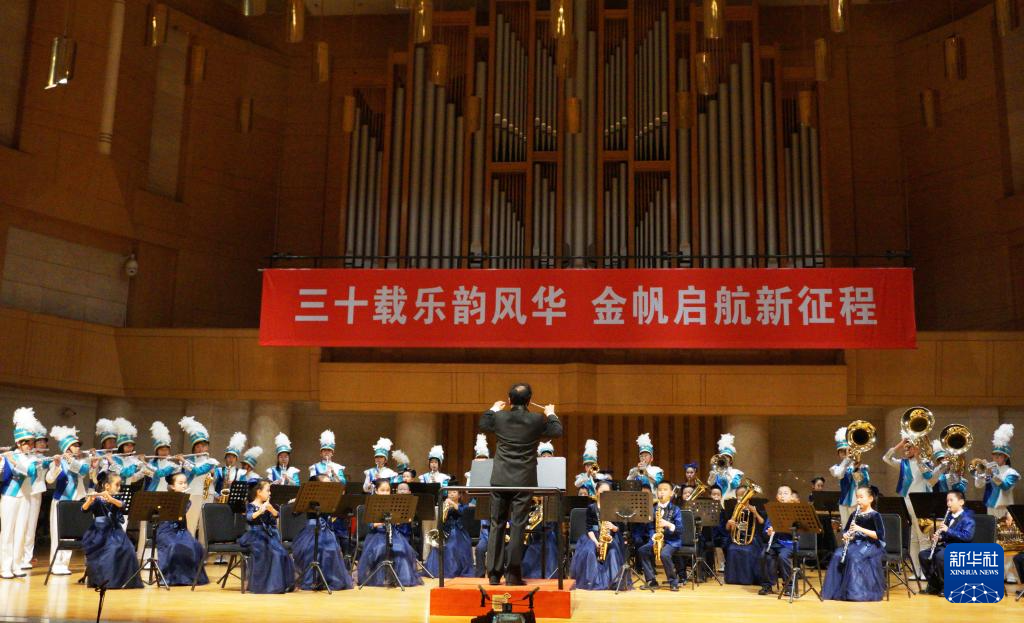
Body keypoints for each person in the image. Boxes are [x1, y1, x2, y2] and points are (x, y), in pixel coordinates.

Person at [479, 383, 562, 586]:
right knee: (517, 525)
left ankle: (494, 574)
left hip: (500, 479)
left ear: (509, 400)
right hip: (524, 480)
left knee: (497, 523)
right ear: (529, 400)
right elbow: (556, 430)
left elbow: (483, 423)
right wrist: (551, 413)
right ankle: (513, 575)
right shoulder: (536, 419)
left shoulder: (499, 417)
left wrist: (493, 408)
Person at [1, 408, 47, 579]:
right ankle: (5, 567)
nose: (30, 445)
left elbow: (30, 472)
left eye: (31, 442)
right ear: (19, 443)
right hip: (9, 496)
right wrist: (3, 461)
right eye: (26, 442)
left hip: (26, 496)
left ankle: (17, 564)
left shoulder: (33, 458)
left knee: (20, 532)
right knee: (7, 533)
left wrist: (14, 461)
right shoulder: (8, 456)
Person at [821, 485, 886, 601]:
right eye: (857, 497)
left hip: (871, 544)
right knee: (837, 555)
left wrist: (860, 529)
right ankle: (835, 591)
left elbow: (879, 535)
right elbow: (846, 530)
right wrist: (847, 535)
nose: (858, 500)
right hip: (855, 543)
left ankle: (856, 593)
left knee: (854, 557)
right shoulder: (854, 514)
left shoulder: (875, 515)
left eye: (861, 497)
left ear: (870, 499)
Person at [44, 426, 94, 576]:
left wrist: (71, 460)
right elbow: (49, 479)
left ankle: (64, 564)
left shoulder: (81, 461)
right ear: (67, 448)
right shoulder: (57, 461)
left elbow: (84, 471)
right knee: (58, 534)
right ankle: (55, 564)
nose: (78, 448)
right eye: (74, 445)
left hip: (76, 501)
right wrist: (56, 465)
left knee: (71, 534)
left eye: (78, 445)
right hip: (61, 501)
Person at [882, 434, 933, 578]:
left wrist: (918, 456)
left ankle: (925, 571)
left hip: (922, 502)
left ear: (917, 447)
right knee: (913, 537)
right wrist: (900, 443)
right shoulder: (903, 463)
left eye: (909, 447)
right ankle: (916, 571)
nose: (906, 450)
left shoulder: (926, 462)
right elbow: (886, 458)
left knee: (924, 536)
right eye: (905, 448)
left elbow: (928, 476)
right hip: (907, 502)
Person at [291, 474, 354, 591]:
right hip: (312, 530)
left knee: (331, 549)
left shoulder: (330, 499)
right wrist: (297, 503)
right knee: (314, 549)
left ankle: (328, 580)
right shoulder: (309, 498)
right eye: (326, 484)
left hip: (326, 530)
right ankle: (312, 580)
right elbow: (294, 513)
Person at [81, 473, 142, 589]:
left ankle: (124, 580)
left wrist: (111, 499)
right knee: (111, 549)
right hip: (99, 531)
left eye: (120, 485)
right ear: (107, 486)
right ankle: (107, 581)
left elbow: (122, 505)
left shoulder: (116, 498)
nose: (119, 487)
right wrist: (90, 500)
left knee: (128, 548)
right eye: (117, 485)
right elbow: (83, 509)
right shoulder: (97, 499)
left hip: (114, 529)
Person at [357, 479, 423, 587]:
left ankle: (401, 578)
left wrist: (400, 520)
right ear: (376, 491)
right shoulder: (371, 504)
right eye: (382, 490)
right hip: (377, 535)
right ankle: (382, 578)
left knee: (401, 549)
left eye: (387, 490)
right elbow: (370, 525)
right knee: (380, 549)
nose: (385, 493)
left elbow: (397, 522)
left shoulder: (394, 503)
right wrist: (382, 522)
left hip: (393, 534)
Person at [570, 481, 629, 591]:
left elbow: (619, 528)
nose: (605, 494)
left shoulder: (614, 508)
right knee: (589, 551)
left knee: (613, 552)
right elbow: (589, 528)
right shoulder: (591, 508)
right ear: (597, 492)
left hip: (610, 536)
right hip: (593, 537)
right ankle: (591, 581)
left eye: (607, 492)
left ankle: (615, 581)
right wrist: (596, 542)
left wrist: (613, 527)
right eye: (602, 492)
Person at [239, 479, 294, 593]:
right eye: (268, 491)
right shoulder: (251, 505)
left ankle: (280, 584)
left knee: (281, 553)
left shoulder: (268, 505)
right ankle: (265, 585)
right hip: (255, 536)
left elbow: (276, 516)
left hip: (268, 535)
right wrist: (260, 511)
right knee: (268, 552)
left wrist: (271, 509)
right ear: (259, 492)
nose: (270, 493)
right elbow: (249, 517)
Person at [918, 490, 976, 595]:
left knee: (940, 556)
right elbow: (947, 536)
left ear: (961, 502)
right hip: (947, 546)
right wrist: (939, 537)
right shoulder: (949, 517)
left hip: (961, 547)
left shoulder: (968, 518)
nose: (948, 503)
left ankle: (947, 586)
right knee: (923, 555)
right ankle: (934, 585)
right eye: (947, 501)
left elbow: (967, 537)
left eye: (951, 500)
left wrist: (948, 530)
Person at [158, 473, 209, 586]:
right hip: (166, 531)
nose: (184, 485)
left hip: (181, 530)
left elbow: (181, 513)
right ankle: (171, 577)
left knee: (196, 545)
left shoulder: (186, 500)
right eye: (180, 483)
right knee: (175, 546)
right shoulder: (165, 499)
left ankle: (190, 577)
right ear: (172, 486)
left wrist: (183, 499)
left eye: (185, 483)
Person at [18, 419, 54, 572]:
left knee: (31, 527)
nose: (41, 444)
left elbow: (48, 472)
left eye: (43, 442)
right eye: (38, 442)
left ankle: (26, 557)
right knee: (20, 525)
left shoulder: (45, 459)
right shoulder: (25, 456)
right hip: (21, 492)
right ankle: (17, 557)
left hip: (36, 492)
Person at [635, 481, 684, 591]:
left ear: (671, 493)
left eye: (665, 490)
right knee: (642, 550)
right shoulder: (653, 509)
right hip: (656, 539)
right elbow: (650, 527)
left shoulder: (675, 509)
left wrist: (668, 524)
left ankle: (673, 581)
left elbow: (680, 529)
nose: (661, 492)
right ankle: (651, 580)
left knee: (664, 554)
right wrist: (653, 536)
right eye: (659, 490)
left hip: (672, 541)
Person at [177, 417, 219, 538]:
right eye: (198, 446)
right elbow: (184, 478)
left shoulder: (211, 461)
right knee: (190, 524)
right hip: (193, 494)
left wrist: (183, 461)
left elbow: (198, 471)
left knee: (204, 527)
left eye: (203, 446)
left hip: (207, 494)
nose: (201, 449)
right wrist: (181, 463)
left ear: (207, 447)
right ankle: (189, 547)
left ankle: (203, 549)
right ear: (194, 448)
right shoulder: (189, 460)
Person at [423, 489, 474, 577]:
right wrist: (445, 508)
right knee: (437, 546)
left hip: (458, 531)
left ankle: (453, 571)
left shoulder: (464, 506)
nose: (451, 494)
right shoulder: (445, 506)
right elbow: (442, 520)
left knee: (451, 546)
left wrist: (452, 504)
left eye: (454, 492)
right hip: (446, 530)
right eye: (449, 493)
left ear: (459, 495)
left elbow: (461, 512)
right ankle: (440, 571)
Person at [723, 483, 765, 586]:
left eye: (744, 495)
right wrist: (730, 523)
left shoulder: (754, 507)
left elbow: (762, 521)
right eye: (739, 495)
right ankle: (733, 579)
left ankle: (749, 579)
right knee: (732, 550)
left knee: (749, 551)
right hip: (737, 537)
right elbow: (727, 528)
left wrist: (755, 513)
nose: (742, 498)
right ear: (736, 497)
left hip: (752, 538)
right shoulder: (734, 508)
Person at [975, 424, 1019, 519]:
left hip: (1004, 508)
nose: (996, 457)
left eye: (1000, 455)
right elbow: (978, 485)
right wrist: (979, 473)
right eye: (994, 455)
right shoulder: (990, 469)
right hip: (990, 506)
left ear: (1006, 457)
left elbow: (1005, 486)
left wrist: (992, 474)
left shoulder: (1011, 473)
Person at [830, 426, 871, 526]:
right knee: (846, 529)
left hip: (858, 502)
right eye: (842, 451)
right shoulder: (836, 468)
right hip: (844, 503)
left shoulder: (863, 467)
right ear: (838, 454)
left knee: (857, 529)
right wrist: (847, 460)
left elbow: (863, 484)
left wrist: (856, 469)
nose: (845, 453)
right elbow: (839, 474)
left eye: (847, 450)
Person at [759, 485, 795, 596]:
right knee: (764, 555)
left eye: (786, 493)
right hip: (774, 543)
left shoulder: (796, 511)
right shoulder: (772, 511)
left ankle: (789, 586)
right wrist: (768, 532)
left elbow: (799, 531)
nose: (782, 495)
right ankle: (767, 585)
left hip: (789, 544)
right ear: (777, 497)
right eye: (780, 493)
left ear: (791, 496)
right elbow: (765, 532)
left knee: (783, 557)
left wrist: (783, 528)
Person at [709, 433, 743, 500]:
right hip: (717, 499)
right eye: (723, 457)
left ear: (731, 460)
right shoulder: (717, 471)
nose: (725, 459)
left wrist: (727, 474)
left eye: (727, 457)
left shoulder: (736, 472)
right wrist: (713, 474)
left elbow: (734, 485)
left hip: (730, 500)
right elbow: (711, 484)